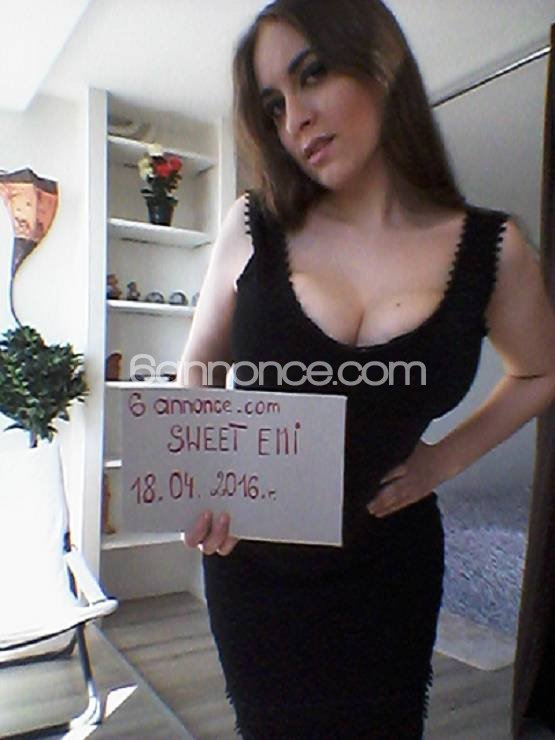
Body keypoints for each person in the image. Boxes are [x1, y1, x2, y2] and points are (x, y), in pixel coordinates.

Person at [178, 0, 555, 736]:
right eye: (273, 104)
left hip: (390, 566)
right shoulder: (252, 224)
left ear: (381, 66)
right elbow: (198, 363)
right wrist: (205, 478)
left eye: (312, 75)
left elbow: (541, 371)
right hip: (254, 566)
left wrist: (442, 460)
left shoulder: (493, 249)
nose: (295, 119)